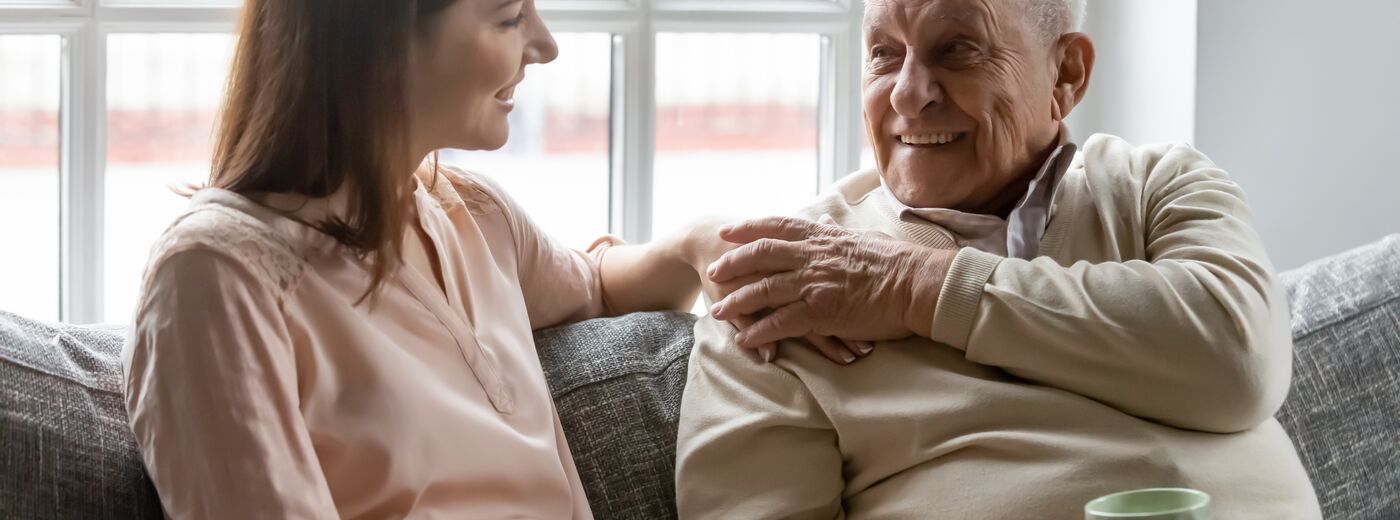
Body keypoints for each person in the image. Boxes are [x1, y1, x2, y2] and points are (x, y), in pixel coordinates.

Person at [675, 0, 1321, 518]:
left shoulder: (1160, 185)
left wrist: (917, 289)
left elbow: (1238, 358)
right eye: (883, 53)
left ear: (1066, 74)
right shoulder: (787, 282)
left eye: (956, 48)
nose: (906, 94)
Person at [121, 0, 714, 517]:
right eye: (509, 17)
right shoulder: (215, 276)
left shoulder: (475, 215)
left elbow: (596, 289)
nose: (546, 46)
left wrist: (697, 244)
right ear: (381, 41)